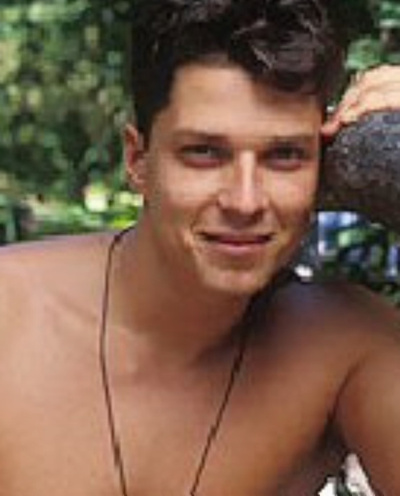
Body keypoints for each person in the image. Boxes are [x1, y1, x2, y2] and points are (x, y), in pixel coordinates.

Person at [1, 1, 400, 495]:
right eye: (205, 153)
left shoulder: (342, 348)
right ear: (138, 159)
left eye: (284, 156)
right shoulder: (11, 318)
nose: (245, 201)